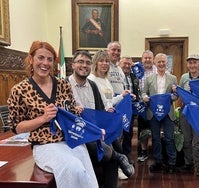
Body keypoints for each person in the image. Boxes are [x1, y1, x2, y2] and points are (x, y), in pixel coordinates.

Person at [7, 41, 99, 188]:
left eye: (50, 59)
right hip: (45, 145)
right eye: (41, 58)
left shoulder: (63, 85)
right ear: (31, 59)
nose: (45, 63)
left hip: (70, 141)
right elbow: (16, 127)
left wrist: (95, 130)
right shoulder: (20, 90)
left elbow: (74, 115)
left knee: (85, 172)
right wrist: (43, 118)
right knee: (73, 168)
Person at [68, 51, 135, 187]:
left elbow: (101, 108)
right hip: (75, 133)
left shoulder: (93, 86)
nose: (84, 65)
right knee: (108, 151)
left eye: (87, 62)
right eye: (81, 62)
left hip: (94, 131)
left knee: (110, 148)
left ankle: (118, 157)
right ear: (73, 65)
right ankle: (119, 156)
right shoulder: (64, 85)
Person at [88, 50, 132, 180]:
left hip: (107, 119)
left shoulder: (106, 80)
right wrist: (105, 109)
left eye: (106, 61)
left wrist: (121, 96)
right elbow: (92, 103)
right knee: (113, 147)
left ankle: (118, 168)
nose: (104, 63)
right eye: (101, 60)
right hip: (98, 120)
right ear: (95, 63)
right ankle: (118, 167)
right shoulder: (91, 79)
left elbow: (109, 101)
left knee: (116, 145)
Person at [142, 53, 178, 174]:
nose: (161, 64)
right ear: (155, 63)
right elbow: (143, 93)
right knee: (156, 138)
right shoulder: (149, 78)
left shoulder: (173, 78)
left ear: (166, 63)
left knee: (170, 139)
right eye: (159, 62)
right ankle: (158, 162)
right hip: (153, 113)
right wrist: (145, 97)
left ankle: (172, 163)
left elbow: (176, 96)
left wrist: (173, 95)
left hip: (168, 113)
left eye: (163, 61)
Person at [178, 54, 199, 177]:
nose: (192, 65)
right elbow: (180, 93)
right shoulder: (184, 77)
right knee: (186, 139)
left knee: (198, 140)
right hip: (186, 111)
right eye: (190, 63)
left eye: (195, 62)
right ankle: (188, 164)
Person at [119, 56, 140, 164]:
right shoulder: (116, 76)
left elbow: (136, 91)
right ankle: (118, 157)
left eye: (129, 64)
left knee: (128, 133)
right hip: (117, 109)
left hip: (130, 110)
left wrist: (136, 97)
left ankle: (126, 156)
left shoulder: (134, 76)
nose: (127, 66)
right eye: (125, 63)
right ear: (120, 64)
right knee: (118, 134)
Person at [137, 50, 156, 162]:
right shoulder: (137, 70)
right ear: (142, 59)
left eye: (150, 58)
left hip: (155, 106)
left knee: (155, 128)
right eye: (145, 58)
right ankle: (143, 151)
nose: (148, 60)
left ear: (153, 59)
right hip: (142, 106)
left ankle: (155, 151)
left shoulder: (157, 70)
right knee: (143, 129)